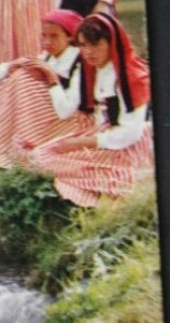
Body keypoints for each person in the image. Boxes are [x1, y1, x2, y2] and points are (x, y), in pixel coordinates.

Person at [24, 12, 154, 207]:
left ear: (112, 43)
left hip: (127, 143)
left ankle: (129, 178)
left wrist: (83, 142)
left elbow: (131, 132)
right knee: (41, 154)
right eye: (83, 46)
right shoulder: (92, 70)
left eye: (95, 45)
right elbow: (74, 111)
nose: (88, 52)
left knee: (55, 161)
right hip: (103, 134)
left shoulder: (129, 76)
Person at [0, 8, 92, 169]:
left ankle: (28, 145)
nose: (47, 42)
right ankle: (9, 144)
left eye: (54, 36)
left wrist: (51, 79)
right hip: (52, 120)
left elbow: (66, 111)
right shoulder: (48, 57)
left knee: (25, 79)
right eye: (44, 36)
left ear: (70, 37)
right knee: (19, 75)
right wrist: (12, 66)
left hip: (75, 122)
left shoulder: (79, 63)